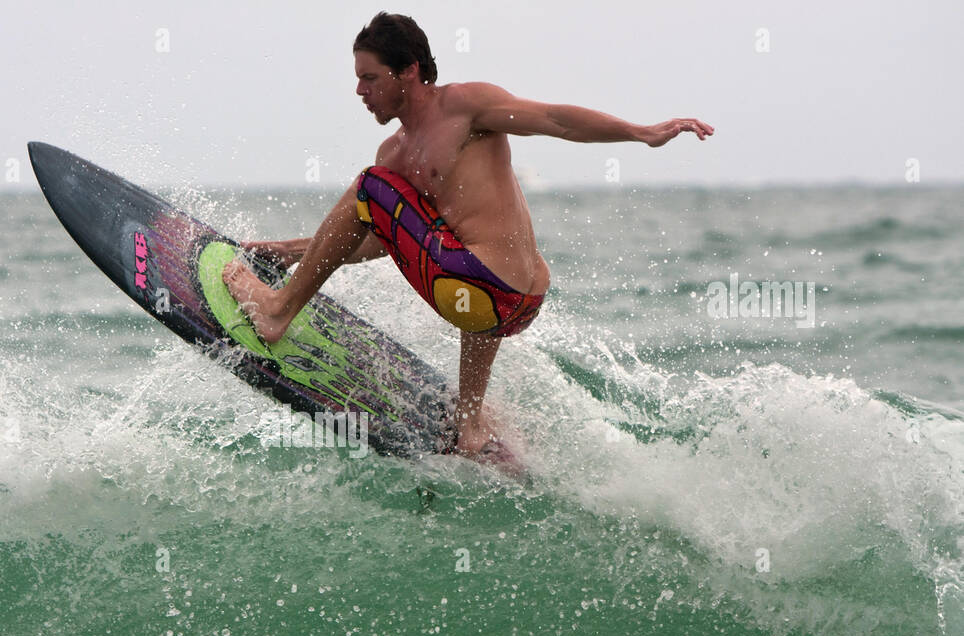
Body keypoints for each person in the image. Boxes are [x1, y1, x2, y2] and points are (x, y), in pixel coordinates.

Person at [224, 12, 713, 464]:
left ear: (409, 71)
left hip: (490, 290)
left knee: (372, 189)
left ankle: (276, 312)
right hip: (509, 300)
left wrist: (641, 133)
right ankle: (471, 423)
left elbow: (555, 120)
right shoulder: (395, 152)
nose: (359, 90)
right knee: (438, 235)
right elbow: (390, 239)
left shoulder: (465, 105)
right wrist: (291, 250)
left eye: (370, 77)